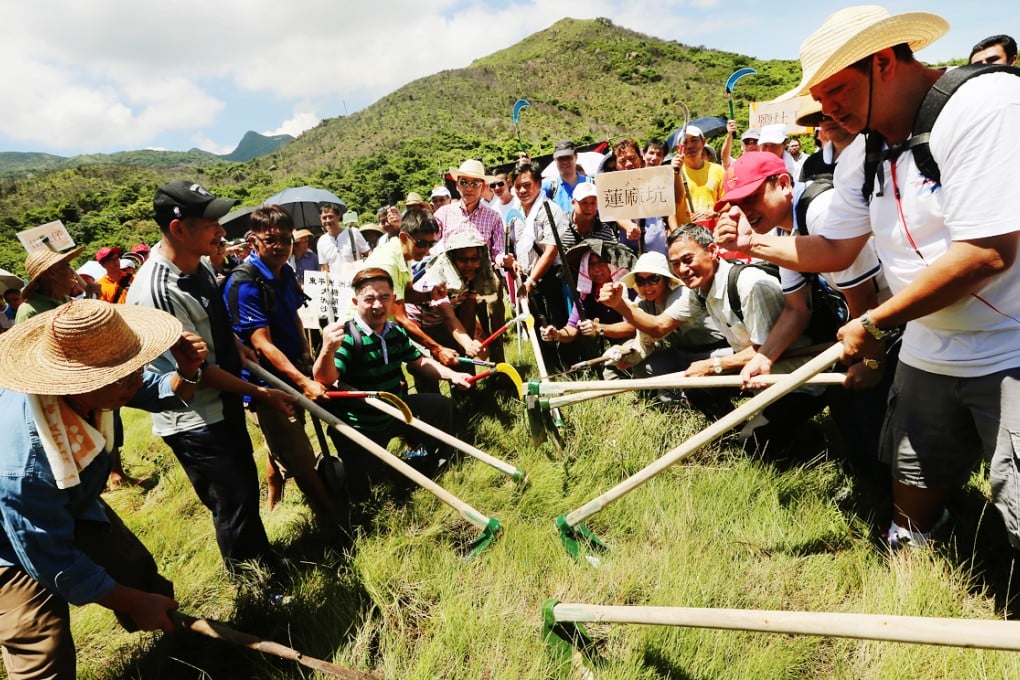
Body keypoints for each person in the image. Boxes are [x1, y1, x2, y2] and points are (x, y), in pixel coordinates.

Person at [717, 6, 1020, 549]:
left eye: (837, 92)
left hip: (1008, 344)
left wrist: (877, 323)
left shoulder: (984, 107)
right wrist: (752, 245)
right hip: (930, 345)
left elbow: (988, 252)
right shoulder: (864, 151)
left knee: (1015, 493)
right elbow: (836, 248)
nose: (826, 110)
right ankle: (918, 548)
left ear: (883, 62)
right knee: (914, 474)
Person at [0, 299, 206, 679]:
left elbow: (154, 390)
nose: (137, 380)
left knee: (138, 574)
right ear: (75, 381)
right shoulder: (26, 462)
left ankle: (176, 639)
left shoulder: (107, 386)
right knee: (42, 648)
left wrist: (187, 371)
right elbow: (50, 558)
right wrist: (131, 602)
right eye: (123, 376)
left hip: (69, 502)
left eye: (135, 367)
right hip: (8, 542)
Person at [128, 179, 295, 571]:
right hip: (195, 419)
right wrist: (263, 393)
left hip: (224, 404)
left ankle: (264, 560)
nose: (222, 231)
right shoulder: (158, 292)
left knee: (243, 488)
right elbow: (197, 371)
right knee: (231, 502)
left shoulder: (200, 264)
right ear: (178, 228)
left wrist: (234, 346)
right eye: (211, 223)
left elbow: (212, 322)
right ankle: (253, 586)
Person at [715, 151, 891, 469]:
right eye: (737, 204)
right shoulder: (784, 232)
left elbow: (865, 299)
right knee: (846, 404)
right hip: (869, 321)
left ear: (783, 182)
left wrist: (872, 362)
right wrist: (763, 358)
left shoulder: (821, 211)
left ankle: (901, 497)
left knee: (870, 407)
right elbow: (797, 309)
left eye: (752, 197)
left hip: (897, 318)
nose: (745, 211)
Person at [223, 205, 339, 519]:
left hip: (294, 370)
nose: (280, 246)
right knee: (299, 455)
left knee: (284, 443)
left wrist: (306, 360)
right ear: (253, 241)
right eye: (270, 239)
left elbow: (295, 317)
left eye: (286, 239)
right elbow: (260, 343)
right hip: (266, 385)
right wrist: (302, 382)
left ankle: (274, 492)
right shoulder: (245, 282)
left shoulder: (284, 271)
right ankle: (332, 517)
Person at [312, 268, 472, 497]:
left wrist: (452, 375)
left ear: (394, 300)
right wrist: (327, 349)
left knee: (440, 405)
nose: (377, 305)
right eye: (369, 299)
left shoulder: (394, 332)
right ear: (356, 301)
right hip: (361, 426)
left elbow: (418, 362)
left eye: (384, 297)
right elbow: (324, 379)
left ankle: (433, 461)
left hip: (396, 411)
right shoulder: (347, 336)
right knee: (364, 493)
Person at [667, 225, 827, 447]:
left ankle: (805, 436)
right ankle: (738, 433)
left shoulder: (750, 285)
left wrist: (713, 365)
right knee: (697, 386)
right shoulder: (701, 288)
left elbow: (767, 350)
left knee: (756, 448)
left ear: (712, 251)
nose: (682, 269)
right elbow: (659, 326)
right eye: (675, 264)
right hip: (757, 377)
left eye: (687, 259)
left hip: (797, 380)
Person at [361, 207, 459, 366]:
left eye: (430, 243)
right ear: (404, 237)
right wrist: (437, 349)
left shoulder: (403, 254)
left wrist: (429, 295)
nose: (427, 251)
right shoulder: (388, 263)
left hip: (381, 328)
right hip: (364, 335)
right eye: (421, 243)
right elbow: (400, 317)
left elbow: (406, 294)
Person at [505, 160, 572, 371]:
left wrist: (532, 280)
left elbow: (551, 251)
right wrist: (515, 264)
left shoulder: (549, 210)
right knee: (535, 325)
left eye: (527, 184)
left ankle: (566, 369)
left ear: (538, 183)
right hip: (526, 280)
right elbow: (517, 248)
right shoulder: (516, 214)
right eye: (518, 186)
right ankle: (548, 369)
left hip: (548, 278)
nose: (523, 190)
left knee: (554, 323)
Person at [407, 231, 494, 392]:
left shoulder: (474, 276)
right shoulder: (437, 279)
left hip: (440, 320)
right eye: (463, 259)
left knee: (460, 358)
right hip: (418, 324)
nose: (469, 264)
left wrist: (467, 346)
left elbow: (467, 311)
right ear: (452, 258)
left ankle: (465, 395)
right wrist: (468, 343)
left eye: (474, 258)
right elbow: (449, 318)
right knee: (426, 368)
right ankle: (432, 406)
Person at [540, 242, 635, 366]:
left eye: (601, 262)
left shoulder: (626, 286)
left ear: (610, 264)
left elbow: (632, 327)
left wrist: (599, 328)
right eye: (590, 264)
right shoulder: (586, 293)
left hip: (636, 341)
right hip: (615, 347)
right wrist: (557, 334)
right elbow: (572, 328)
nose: (596, 269)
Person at [15, 246, 85, 322]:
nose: (72, 272)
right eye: (67, 266)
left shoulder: (69, 301)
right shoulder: (29, 312)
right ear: (52, 273)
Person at [674, 125, 726, 224]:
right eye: (685, 142)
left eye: (694, 140)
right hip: (685, 234)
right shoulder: (674, 173)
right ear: (679, 147)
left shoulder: (718, 170)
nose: (689, 146)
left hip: (713, 233)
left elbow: (728, 202)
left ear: (703, 142)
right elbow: (671, 210)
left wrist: (714, 212)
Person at [317, 203, 369, 280]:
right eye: (324, 218)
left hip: (356, 281)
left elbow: (369, 254)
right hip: (336, 286)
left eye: (331, 217)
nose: (327, 220)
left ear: (338, 217)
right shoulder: (321, 241)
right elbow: (325, 269)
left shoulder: (353, 233)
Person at [542, 140, 590, 214]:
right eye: (560, 158)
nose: (564, 162)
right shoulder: (548, 188)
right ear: (555, 159)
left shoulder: (590, 183)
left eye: (568, 157)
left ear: (576, 157)